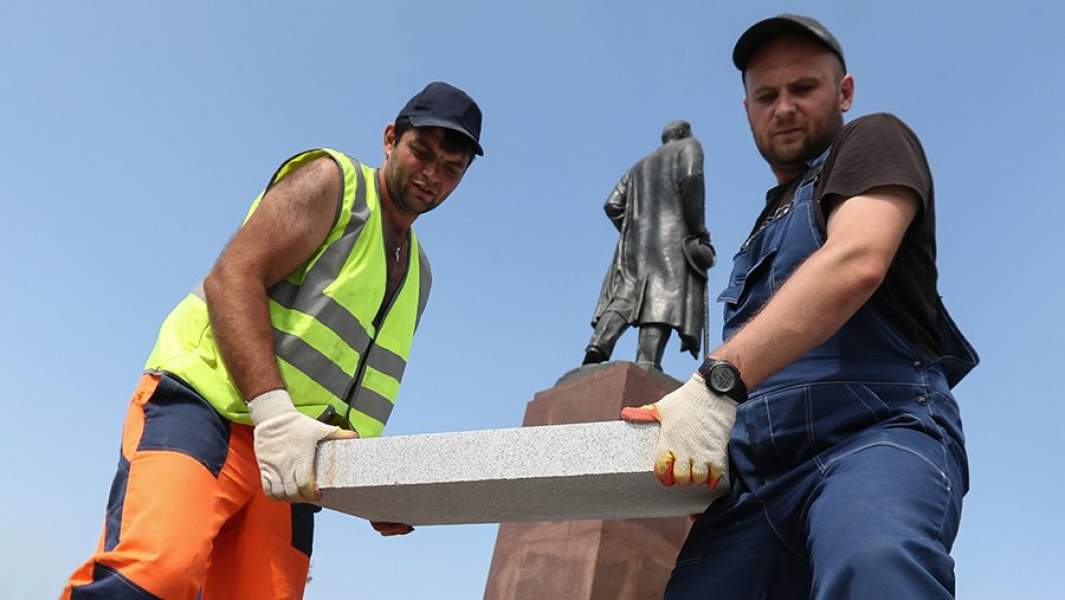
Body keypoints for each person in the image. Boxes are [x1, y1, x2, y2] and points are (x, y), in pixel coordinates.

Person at [63, 81, 484, 599]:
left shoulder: (419, 273)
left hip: (292, 462)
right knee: (154, 576)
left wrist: (373, 486)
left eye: (451, 168)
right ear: (391, 139)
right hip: (206, 409)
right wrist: (275, 416)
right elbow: (233, 277)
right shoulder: (334, 184)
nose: (431, 174)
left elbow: (350, 386)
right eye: (422, 152)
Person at [622, 14, 978, 598]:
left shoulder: (873, 139)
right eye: (767, 95)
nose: (783, 106)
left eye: (803, 89)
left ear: (844, 92)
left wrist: (714, 386)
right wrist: (711, 449)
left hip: (877, 431)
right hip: (758, 475)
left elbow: (856, 259)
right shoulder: (761, 228)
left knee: (873, 564)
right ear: (747, 111)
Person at [583, 120, 715, 371]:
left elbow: (612, 204)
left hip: (635, 242)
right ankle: (647, 361)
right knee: (664, 293)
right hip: (672, 237)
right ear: (682, 133)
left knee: (627, 292)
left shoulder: (639, 167)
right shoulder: (689, 146)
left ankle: (598, 344)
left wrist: (633, 228)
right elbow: (691, 178)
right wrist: (697, 228)